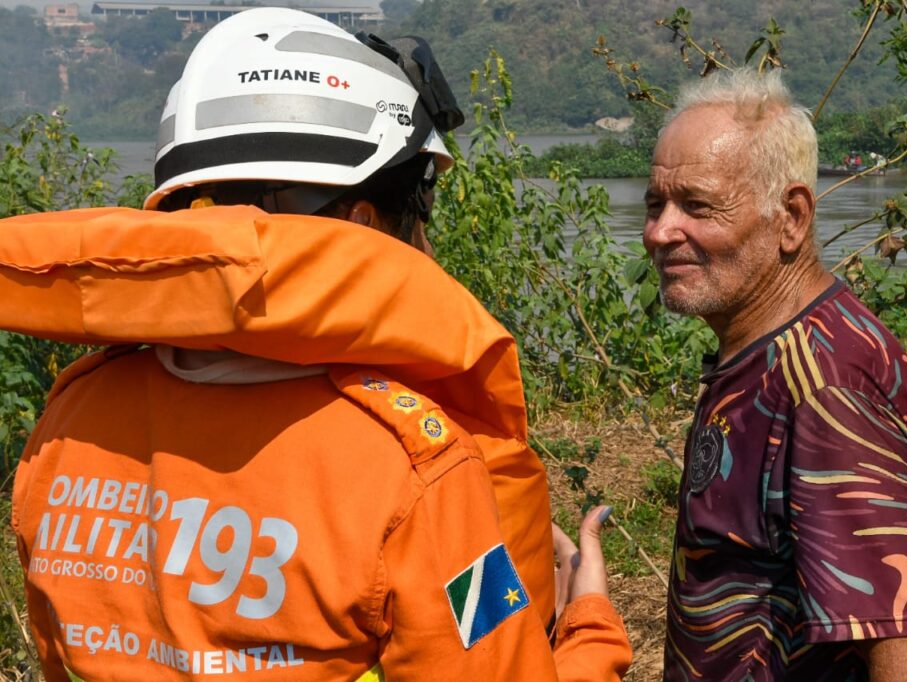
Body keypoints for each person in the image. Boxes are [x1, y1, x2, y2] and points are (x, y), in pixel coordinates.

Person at [4, 8, 631, 680]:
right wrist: (589, 628)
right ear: (363, 224)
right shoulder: (418, 465)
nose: (428, 244)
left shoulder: (73, 414)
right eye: (421, 211)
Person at [643, 68, 907, 681]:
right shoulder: (766, 358)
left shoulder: (825, 385)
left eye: (697, 206)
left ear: (790, 217)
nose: (659, 232)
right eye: (657, 203)